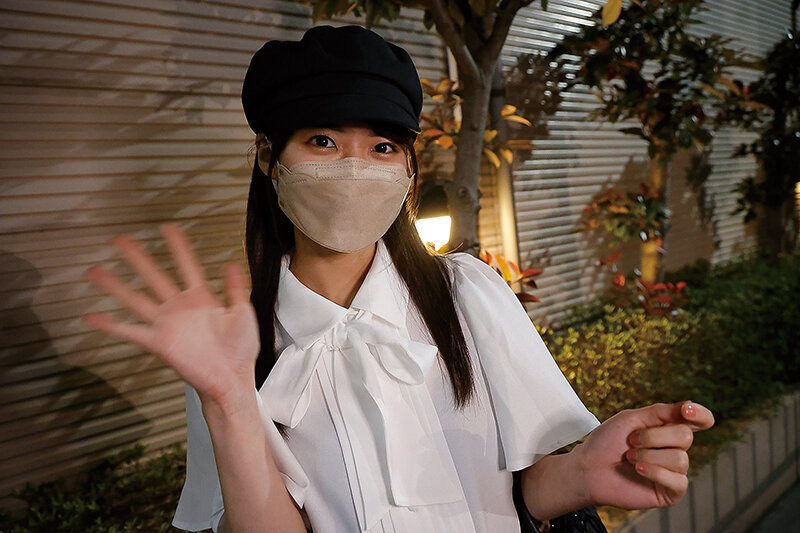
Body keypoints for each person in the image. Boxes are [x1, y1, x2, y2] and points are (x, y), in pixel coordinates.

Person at [83, 24, 715, 533]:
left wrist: (583, 473)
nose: (354, 167)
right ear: (269, 156)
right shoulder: (231, 348)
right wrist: (228, 400)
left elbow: (520, 492)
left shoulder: (467, 294)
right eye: (323, 141)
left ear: (409, 168)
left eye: (382, 147)